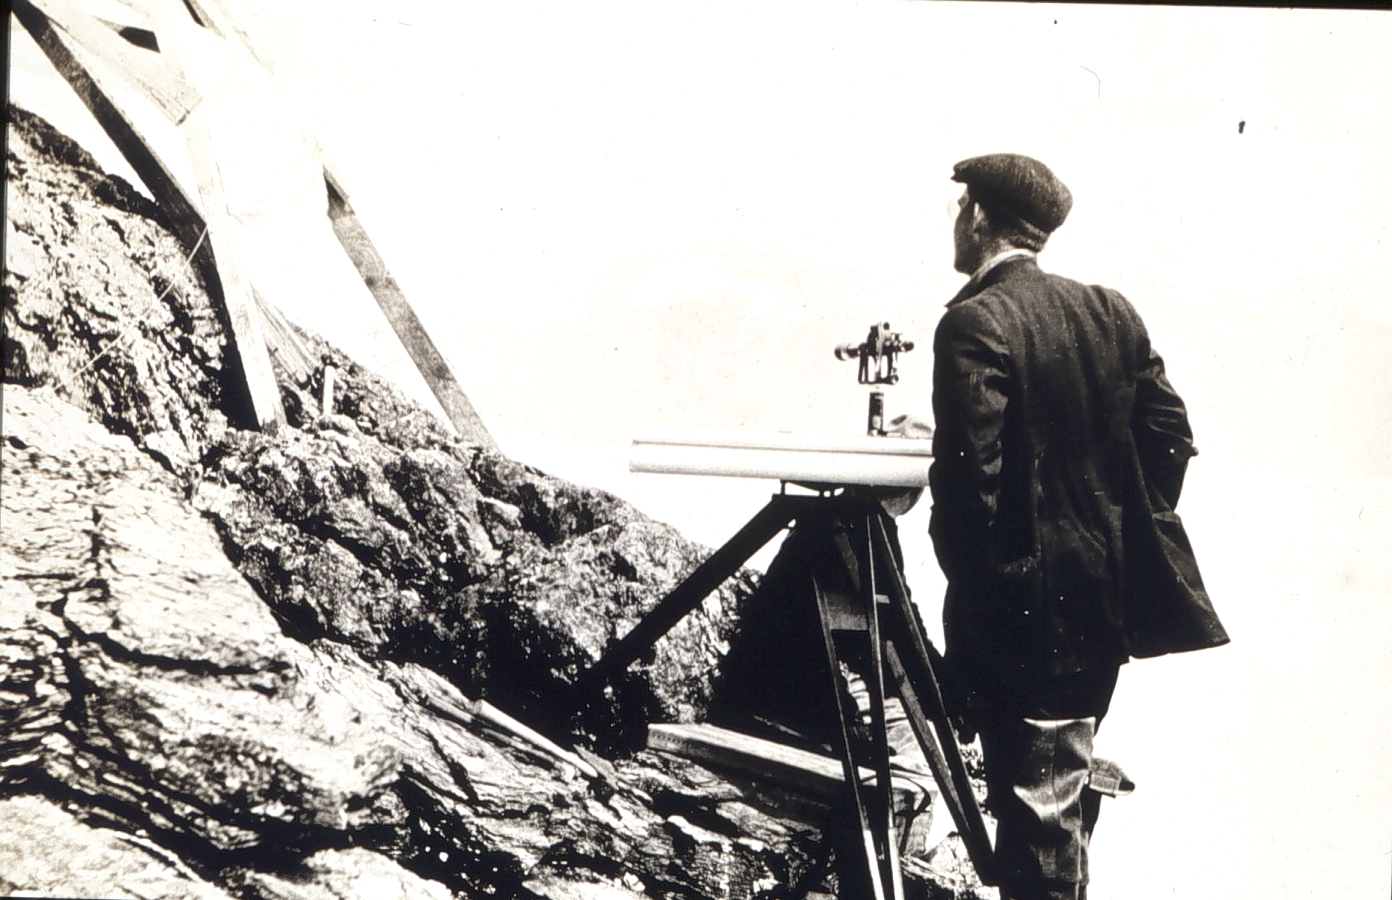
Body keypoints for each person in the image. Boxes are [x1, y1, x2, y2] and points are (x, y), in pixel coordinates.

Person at [923, 153, 1229, 900]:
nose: (955, 221)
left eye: (959, 206)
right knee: (1057, 793)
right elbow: (1169, 434)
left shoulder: (975, 320)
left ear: (982, 219)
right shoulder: (1109, 311)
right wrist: (1118, 526)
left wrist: (988, 579)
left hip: (1020, 617)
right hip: (1103, 604)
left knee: (1036, 812)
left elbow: (971, 487)